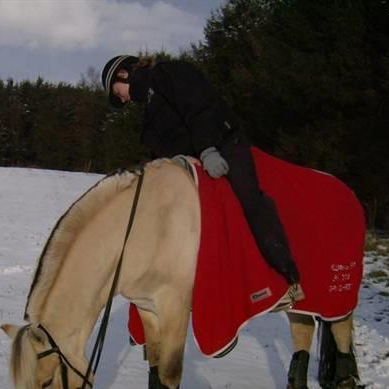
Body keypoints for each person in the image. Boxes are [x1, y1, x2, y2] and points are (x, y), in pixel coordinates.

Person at [101, 55, 304, 307]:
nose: (119, 98)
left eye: (115, 91)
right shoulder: (148, 118)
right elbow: (161, 154)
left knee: (247, 200)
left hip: (223, 145)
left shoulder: (168, 73)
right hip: (192, 167)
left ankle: (285, 277)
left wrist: (208, 149)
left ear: (123, 74)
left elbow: (199, 106)